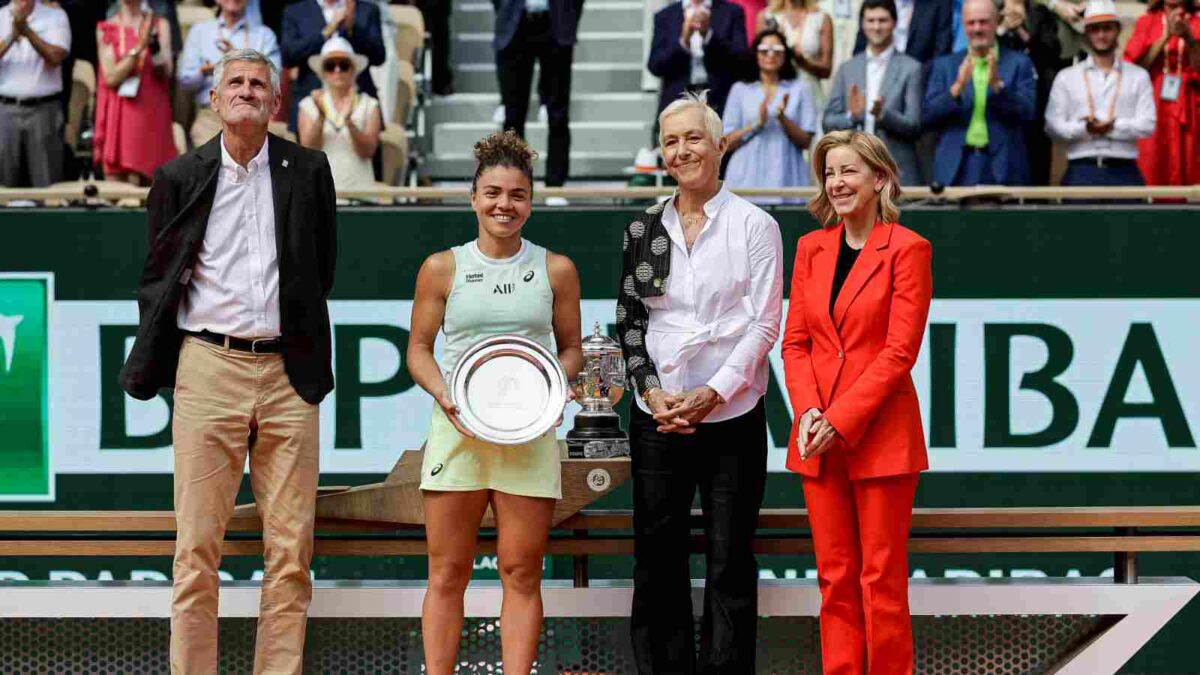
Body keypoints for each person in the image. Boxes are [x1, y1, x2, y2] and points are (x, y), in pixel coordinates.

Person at [118, 48, 337, 673]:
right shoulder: (178, 176)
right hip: (208, 366)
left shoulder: (309, 169)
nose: (245, 90)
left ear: (275, 102)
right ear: (213, 101)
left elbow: (321, 271)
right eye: (234, 82)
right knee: (196, 551)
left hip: (289, 372)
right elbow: (159, 276)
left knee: (291, 553)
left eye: (258, 83)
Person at [618, 90, 784, 674]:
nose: (682, 149)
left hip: (731, 417)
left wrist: (715, 391)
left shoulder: (755, 225)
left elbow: (765, 323)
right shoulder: (644, 228)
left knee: (728, 560)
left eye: (693, 137)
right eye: (670, 141)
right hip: (658, 418)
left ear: (720, 145)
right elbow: (631, 321)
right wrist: (652, 393)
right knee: (656, 560)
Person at [406, 131, 583, 675]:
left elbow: (573, 349)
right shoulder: (442, 267)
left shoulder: (556, 269)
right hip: (457, 434)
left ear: (531, 201)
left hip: (528, 437)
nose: (504, 205)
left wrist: (555, 391)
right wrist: (445, 393)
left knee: (522, 571)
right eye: (493, 193)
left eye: (517, 194)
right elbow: (417, 349)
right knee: (447, 572)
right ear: (473, 198)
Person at [782, 129, 931, 675]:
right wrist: (810, 412)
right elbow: (795, 342)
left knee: (881, 580)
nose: (837, 183)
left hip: (882, 438)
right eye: (830, 173)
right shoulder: (810, 248)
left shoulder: (909, 249)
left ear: (879, 178)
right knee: (834, 578)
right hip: (816, 435)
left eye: (848, 171)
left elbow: (898, 353)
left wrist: (838, 420)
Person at [923, 0, 1037, 185]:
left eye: (983, 22)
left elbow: (1028, 113)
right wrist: (957, 88)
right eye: (971, 23)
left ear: (996, 22)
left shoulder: (1019, 63)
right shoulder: (945, 65)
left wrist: (997, 87)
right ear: (963, 24)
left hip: (1003, 166)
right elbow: (928, 116)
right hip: (956, 166)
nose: (977, 28)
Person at [1045, 0, 1155, 185]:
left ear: (1118, 30)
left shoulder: (1138, 76)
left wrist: (1113, 127)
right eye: (1095, 29)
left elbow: (1148, 124)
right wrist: (1084, 129)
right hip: (1081, 167)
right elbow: (1052, 126)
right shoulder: (1066, 77)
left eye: (1107, 28)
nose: (1101, 35)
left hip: (1124, 168)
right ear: (1086, 33)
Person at [825, 0, 924, 185]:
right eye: (870, 20)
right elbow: (827, 122)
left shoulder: (911, 68)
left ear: (894, 23)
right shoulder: (847, 68)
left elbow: (915, 125)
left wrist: (883, 115)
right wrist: (851, 117)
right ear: (862, 24)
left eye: (882, 20)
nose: (876, 27)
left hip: (896, 171)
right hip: (852, 171)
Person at [493, 0, 585, 189]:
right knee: (513, 115)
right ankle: (514, 181)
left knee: (558, 114)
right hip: (515, 22)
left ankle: (555, 183)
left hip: (555, 21)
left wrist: (569, 15)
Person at [723, 28, 817, 201]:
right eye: (764, 50)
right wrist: (757, 124)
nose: (771, 55)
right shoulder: (740, 89)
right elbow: (726, 142)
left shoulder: (800, 88)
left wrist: (782, 119)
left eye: (777, 50)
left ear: (785, 54)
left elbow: (806, 141)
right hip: (746, 178)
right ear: (755, 54)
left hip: (788, 177)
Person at [179, 0, 281, 148]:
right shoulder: (200, 32)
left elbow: (274, 82)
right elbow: (186, 82)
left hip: (254, 116)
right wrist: (204, 72)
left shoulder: (263, 35)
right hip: (211, 118)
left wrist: (237, 59)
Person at [94, 0, 175, 185]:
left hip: (150, 113)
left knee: (152, 186)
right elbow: (111, 77)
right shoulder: (107, 28)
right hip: (119, 114)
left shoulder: (159, 25)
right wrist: (140, 47)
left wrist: (152, 44)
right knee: (116, 188)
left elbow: (166, 71)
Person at [1124, 0, 1200, 185]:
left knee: (1190, 161)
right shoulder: (1147, 21)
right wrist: (1165, 37)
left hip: (1190, 103)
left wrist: (1189, 38)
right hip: (1155, 102)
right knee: (1154, 161)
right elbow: (1135, 71)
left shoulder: (1197, 22)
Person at [281, 0, 385, 130]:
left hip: (359, 108)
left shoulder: (367, 10)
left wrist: (353, 29)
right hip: (311, 104)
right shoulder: (296, 11)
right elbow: (288, 57)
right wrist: (325, 33)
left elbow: (379, 57)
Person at [996, 0, 1068, 185]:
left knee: (1038, 165)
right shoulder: (992, 10)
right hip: (1000, 99)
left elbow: (1052, 51)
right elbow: (984, 48)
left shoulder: (1039, 12)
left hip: (1036, 100)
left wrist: (1022, 31)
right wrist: (1003, 28)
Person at [0, 0, 70, 187]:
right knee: (3, 186)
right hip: (5, 110)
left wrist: (28, 32)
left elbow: (56, 56)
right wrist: (13, 35)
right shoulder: (0, 16)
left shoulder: (56, 16)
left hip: (44, 110)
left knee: (47, 185)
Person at [647, 0, 748, 128]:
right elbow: (655, 66)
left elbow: (742, 61)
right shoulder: (665, 15)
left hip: (720, 101)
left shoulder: (731, 12)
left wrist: (709, 36)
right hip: (677, 102)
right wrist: (683, 41)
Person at [298, 36, 381, 189]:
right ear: (323, 72)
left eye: (344, 65)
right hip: (320, 195)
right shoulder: (308, 104)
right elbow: (309, 151)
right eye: (330, 66)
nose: (337, 70)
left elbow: (368, 151)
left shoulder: (370, 104)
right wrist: (321, 117)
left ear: (353, 70)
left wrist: (350, 122)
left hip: (360, 196)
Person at [757, 0, 833, 127]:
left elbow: (826, 70)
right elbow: (757, 59)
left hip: (810, 94)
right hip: (775, 93)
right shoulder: (767, 16)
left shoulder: (821, 17)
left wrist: (802, 61)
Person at [853, 0, 953, 65]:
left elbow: (941, 53)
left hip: (921, 83)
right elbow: (861, 47)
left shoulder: (939, 4)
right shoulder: (874, 3)